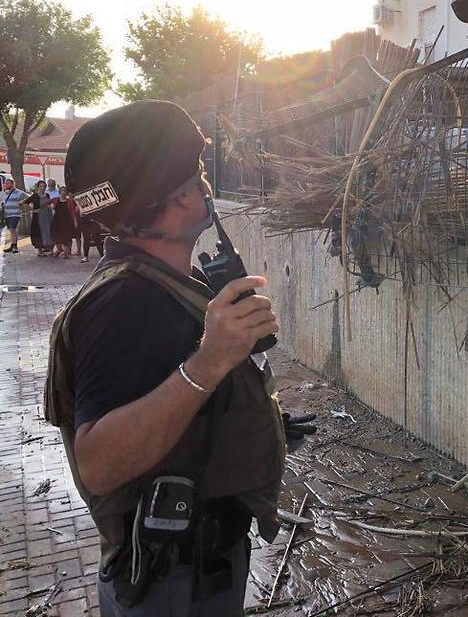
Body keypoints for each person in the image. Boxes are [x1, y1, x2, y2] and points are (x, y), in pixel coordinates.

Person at [44, 101, 289, 615]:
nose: (205, 188)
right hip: (171, 583)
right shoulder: (125, 302)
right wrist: (210, 362)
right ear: (178, 198)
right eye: (198, 177)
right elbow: (99, 464)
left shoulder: (166, 283)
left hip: (195, 568)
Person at [23, 180, 54, 255]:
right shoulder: (34, 196)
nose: (42, 188)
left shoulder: (47, 195)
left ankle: (50, 249)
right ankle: (40, 250)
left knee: (49, 231)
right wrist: (32, 210)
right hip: (39, 217)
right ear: (38, 187)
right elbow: (24, 203)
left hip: (47, 215)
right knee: (39, 232)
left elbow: (49, 204)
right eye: (41, 186)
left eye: (44, 186)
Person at [2, 178, 28, 253]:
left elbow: (28, 198)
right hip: (7, 214)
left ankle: (15, 246)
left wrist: (22, 202)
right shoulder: (5, 193)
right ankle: (12, 245)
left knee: (12, 229)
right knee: (11, 230)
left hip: (15, 214)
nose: (6, 185)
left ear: (12, 184)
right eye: (5, 183)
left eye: (7, 183)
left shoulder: (19, 192)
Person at [49, 187, 76, 258]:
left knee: (66, 236)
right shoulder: (56, 200)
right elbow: (45, 203)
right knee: (56, 236)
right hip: (57, 220)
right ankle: (59, 250)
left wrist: (75, 221)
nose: (63, 192)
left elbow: (72, 212)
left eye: (64, 191)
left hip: (66, 221)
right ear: (59, 192)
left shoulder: (70, 201)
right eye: (62, 191)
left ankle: (66, 253)